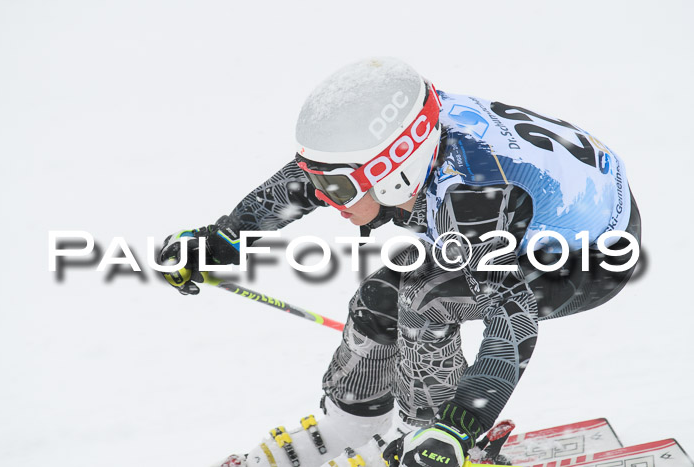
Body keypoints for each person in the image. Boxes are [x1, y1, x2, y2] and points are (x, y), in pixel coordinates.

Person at [158, 58, 642, 467]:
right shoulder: (406, 143)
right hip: (530, 214)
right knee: (380, 296)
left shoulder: (473, 198)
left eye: (340, 188)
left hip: (586, 261)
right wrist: (220, 240)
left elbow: (511, 321)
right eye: (320, 181)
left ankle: (425, 436)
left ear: (394, 174)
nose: (326, 198)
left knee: (425, 300)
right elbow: (305, 181)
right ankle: (348, 426)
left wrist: (456, 428)